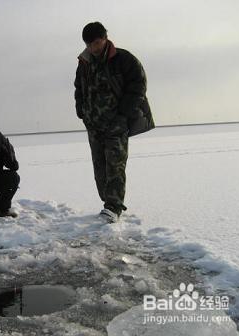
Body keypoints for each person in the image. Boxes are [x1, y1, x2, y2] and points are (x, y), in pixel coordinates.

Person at [74, 22, 154, 223]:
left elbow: (139, 85)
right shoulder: (84, 62)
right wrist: (81, 111)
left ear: (105, 38)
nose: (94, 47)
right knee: (99, 168)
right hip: (94, 125)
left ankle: (114, 207)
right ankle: (107, 202)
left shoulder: (123, 59)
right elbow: (78, 88)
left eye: (97, 42)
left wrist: (123, 114)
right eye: (90, 44)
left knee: (115, 166)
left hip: (116, 124)